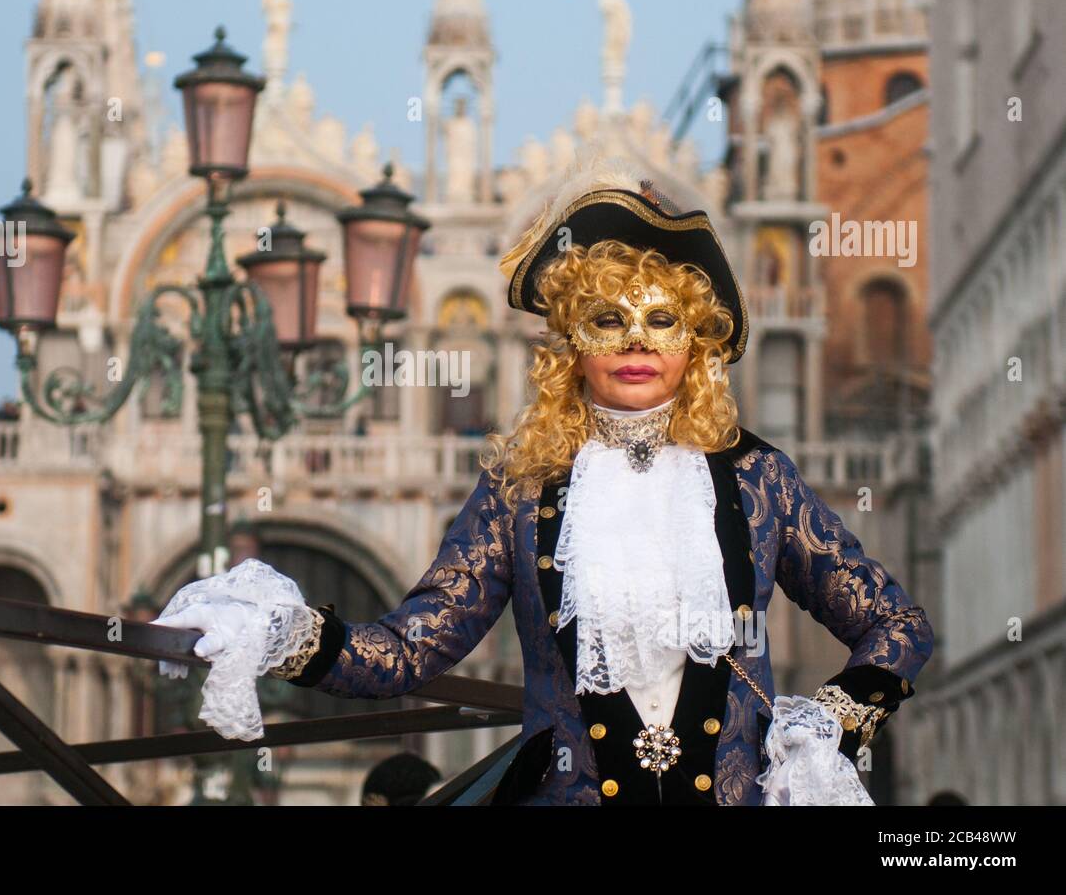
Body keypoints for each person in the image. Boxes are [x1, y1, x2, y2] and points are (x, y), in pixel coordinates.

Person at [155, 173, 934, 806]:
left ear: (696, 343)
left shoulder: (755, 478)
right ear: (570, 343)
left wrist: (833, 720)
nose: (635, 339)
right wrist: (289, 636)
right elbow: (408, 650)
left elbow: (897, 625)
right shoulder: (520, 491)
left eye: (662, 319)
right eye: (607, 318)